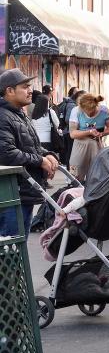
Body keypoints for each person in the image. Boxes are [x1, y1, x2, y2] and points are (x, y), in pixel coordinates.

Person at [0, 70, 58, 237]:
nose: (30, 91)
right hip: (11, 194)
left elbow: (30, 146)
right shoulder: (3, 116)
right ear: (9, 90)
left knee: (18, 251)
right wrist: (40, 161)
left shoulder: (18, 114)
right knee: (11, 251)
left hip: (23, 192)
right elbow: (6, 154)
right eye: (25, 87)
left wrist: (49, 155)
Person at [68, 92, 109, 182]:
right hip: (80, 144)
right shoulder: (76, 111)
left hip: (96, 144)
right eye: (85, 111)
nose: (89, 114)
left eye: (91, 111)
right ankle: (75, 188)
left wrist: (102, 133)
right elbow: (72, 134)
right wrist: (89, 132)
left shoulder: (104, 111)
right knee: (75, 171)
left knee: (96, 173)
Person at [56, 87, 78, 163]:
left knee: (66, 150)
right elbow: (68, 119)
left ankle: (67, 166)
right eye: (76, 92)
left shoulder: (64, 103)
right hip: (69, 131)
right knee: (70, 151)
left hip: (64, 130)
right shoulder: (72, 105)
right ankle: (69, 168)